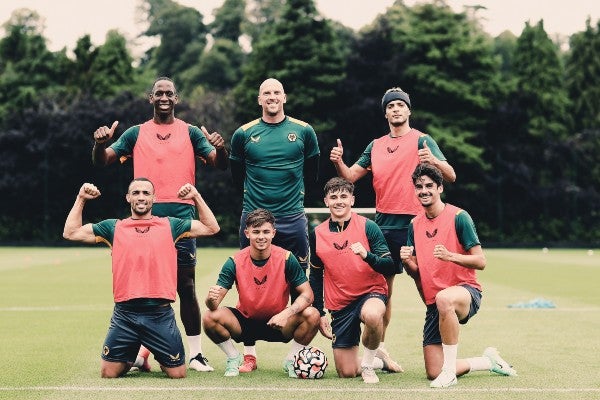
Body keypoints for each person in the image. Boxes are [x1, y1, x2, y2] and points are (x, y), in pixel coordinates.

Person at [92, 77, 228, 372]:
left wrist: (222, 148)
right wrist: (98, 145)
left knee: (186, 285)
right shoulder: (135, 133)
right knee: (144, 286)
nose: (164, 97)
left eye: (169, 93)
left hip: (180, 218)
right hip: (145, 218)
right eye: (159, 93)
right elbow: (103, 160)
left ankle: (194, 354)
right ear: (150, 98)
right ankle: (139, 354)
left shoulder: (190, 132)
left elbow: (219, 163)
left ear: (176, 98)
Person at [329, 87, 456, 368]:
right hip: (384, 226)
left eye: (401, 105)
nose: (396, 109)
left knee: (430, 290)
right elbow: (350, 176)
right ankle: (380, 352)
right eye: (391, 106)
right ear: (385, 112)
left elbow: (451, 175)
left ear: (408, 110)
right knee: (382, 291)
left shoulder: (423, 140)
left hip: (417, 225)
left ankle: (446, 352)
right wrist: (338, 161)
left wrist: (432, 160)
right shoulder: (375, 145)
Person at [62, 178, 220, 378]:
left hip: (159, 314)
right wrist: (81, 198)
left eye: (146, 193)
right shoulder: (113, 227)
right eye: (136, 193)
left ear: (154, 198)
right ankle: (138, 358)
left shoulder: (170, 225)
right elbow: (71, 232)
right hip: (125, 314)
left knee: (177, 373)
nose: (141, 197)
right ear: (128, 198)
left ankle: (155, 353)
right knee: (108, 372)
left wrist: (196, 197)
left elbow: (212, 228)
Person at [229, 78, 320, 372]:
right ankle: (250, 354)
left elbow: (312, 172)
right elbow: (236, 175)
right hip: (254, 218)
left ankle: (295, 356)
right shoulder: (244, 134)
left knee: (299, 284)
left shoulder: (304, 131)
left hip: (292, 218)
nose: (272, 97)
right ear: (259, 99)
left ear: (285, 97)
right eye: (266, 93)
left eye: (276, 92)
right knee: (248, 286)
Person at [399, 163, 517, 388]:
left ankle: (450, 374)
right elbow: (417, 274)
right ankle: (486, 361)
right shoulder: (414, 224)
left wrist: (450, 256)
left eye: (429, 186)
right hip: (435, 303)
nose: (424, 190)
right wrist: (407, 262)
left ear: (440, 188)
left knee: (445, 298)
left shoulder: (459, 217)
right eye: (419, 186)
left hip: (466, 292)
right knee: (433, 372)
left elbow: (481, 261)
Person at [202, 208, 320, 377]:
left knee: (312, 314)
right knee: (209, 317)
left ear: (273, 233)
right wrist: (210, 299)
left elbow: (307, 295)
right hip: (245, 323)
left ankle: (292, 360)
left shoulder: (286, 258)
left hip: (277, 322)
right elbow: (214, 305)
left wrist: (286, 313)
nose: (261, 236)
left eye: (266, 231)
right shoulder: (234, 261)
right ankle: (234, 357)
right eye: (256, 232)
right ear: (247, 233)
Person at [309, 177, 398, 384]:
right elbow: (315, 275)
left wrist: (368, 256)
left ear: (352, 200)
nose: (338, 201)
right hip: (340, 304)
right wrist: (320, 312)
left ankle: (368, 366)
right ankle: (379, 361)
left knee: (373, 315)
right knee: (346, 372)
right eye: (333, 197)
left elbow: (389, 266)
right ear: (326, 202)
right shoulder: (317, 234)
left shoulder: (369, 227)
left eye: (343, 196)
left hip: (371, 292)